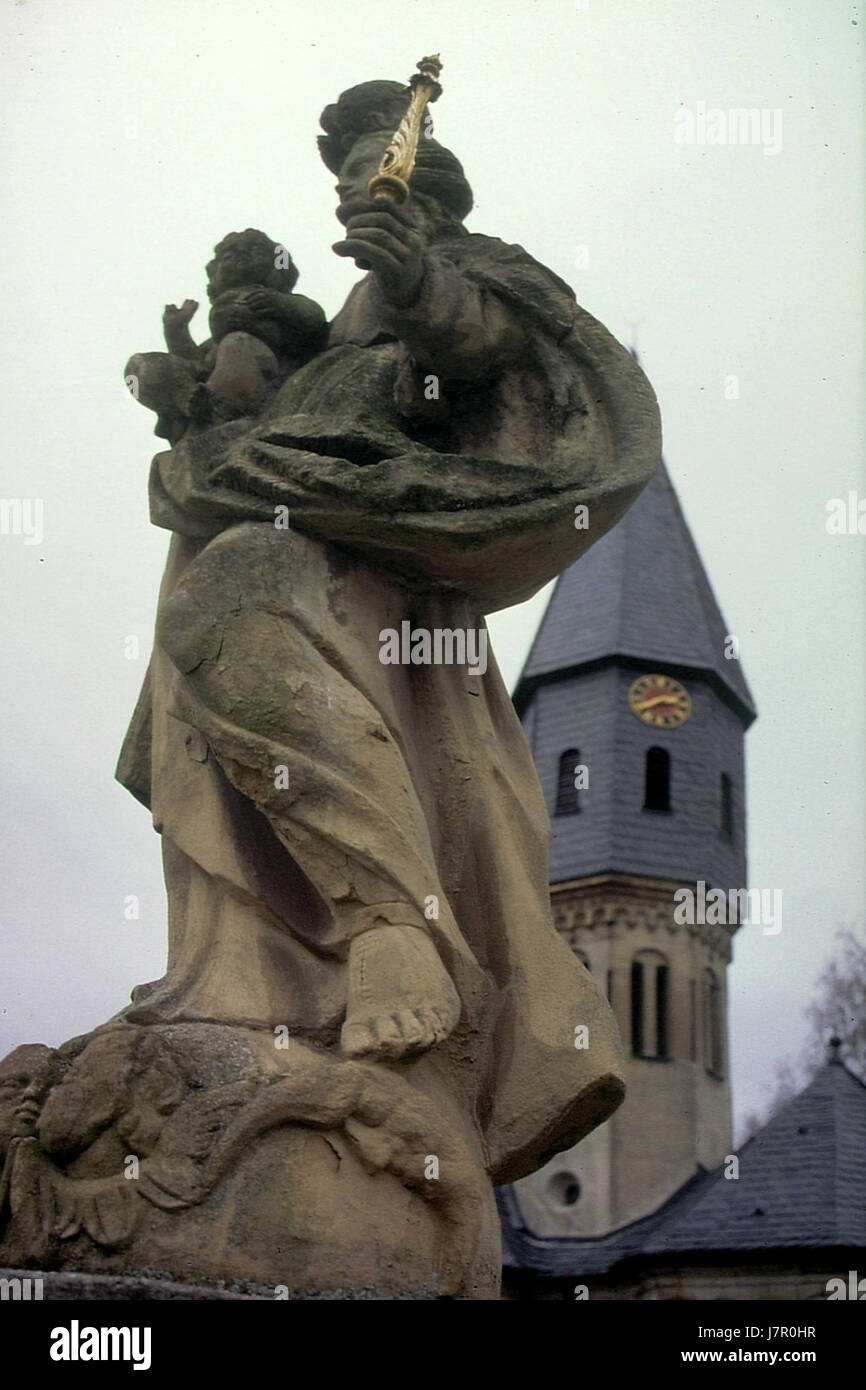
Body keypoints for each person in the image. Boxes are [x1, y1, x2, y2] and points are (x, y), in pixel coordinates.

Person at [117, 80, 662, 1185]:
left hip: (388, 572)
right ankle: (244, 979)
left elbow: (479, 343)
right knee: (209, 621)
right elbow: (279, 419)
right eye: (349, 181)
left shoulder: (460, 274)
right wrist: (195, 407)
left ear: (429, 189)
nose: (359, 194)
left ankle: (389, 922)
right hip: (301, 536)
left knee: (231, 595)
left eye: (380, 171)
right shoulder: (337, 326)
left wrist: (420, 278)